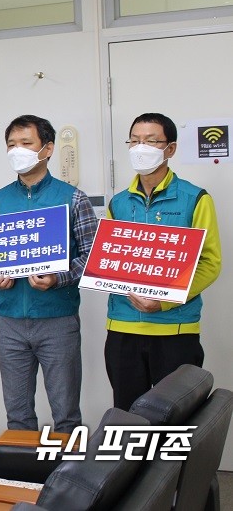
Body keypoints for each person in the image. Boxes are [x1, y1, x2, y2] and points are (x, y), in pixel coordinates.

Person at [0, 115, 97, 435]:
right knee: (17, 413)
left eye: (25, 143)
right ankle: (22, 480)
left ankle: (68, 482)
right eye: (11, 145)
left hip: (57, 319)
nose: (16, 151)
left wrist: (57, 277)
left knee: (66, 413)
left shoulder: (73, 198)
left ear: (47, 149)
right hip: (8, 320)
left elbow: (90, 257)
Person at [105, 113, 221, 411]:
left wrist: (165, 301)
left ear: (170, 149)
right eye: (135, 140)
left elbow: (210, 263)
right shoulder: (117, 203)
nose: (141, 147)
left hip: (176, 330)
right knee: (127, 418)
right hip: (123, 328)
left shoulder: (195, 199)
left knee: (176, 419)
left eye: (151, 141)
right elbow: (108, 262)